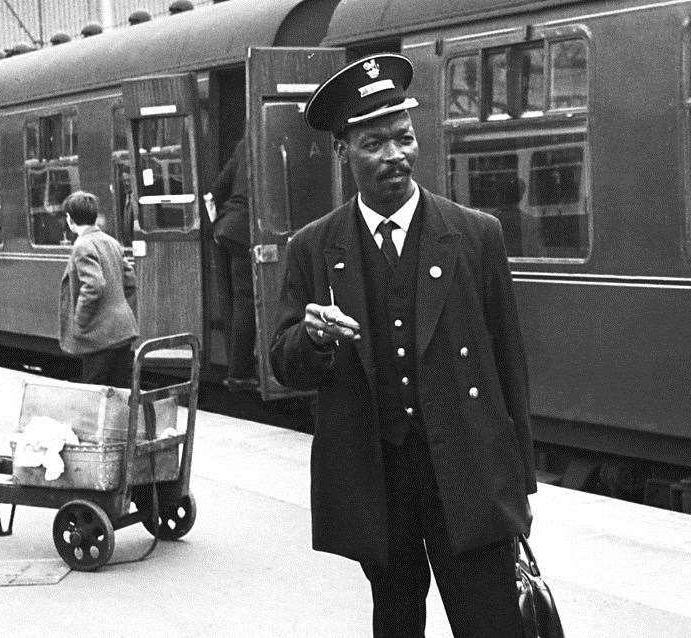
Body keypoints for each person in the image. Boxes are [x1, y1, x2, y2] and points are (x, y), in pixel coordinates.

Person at [269, 54, 536, 637]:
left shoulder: (474, 235)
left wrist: (521, 487)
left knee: (490, 623)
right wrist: (312, 339)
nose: (394, 156)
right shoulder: (314, 248)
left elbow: (508, 367)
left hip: (469, 473)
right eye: (373, 144)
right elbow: (281, 362)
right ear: (343, 152)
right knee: (395, 621)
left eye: (403, 138)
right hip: (377, 479)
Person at [57, 191, 138, 387]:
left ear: (70, 219)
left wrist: (81, 321)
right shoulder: (111, 242)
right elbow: (130, 281)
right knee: (121, 392)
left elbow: (93, 285)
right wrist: (115, 308)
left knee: (95, 394)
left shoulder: (82, 245)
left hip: (99, 336)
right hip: (122, 331)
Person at [211, 137, 258, 391]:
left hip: (225, 228)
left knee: (233, 301)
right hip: (243, 231)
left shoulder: (244, 144)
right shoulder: (265, 137)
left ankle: (237, 365)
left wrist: (213, 224)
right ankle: (239, 372)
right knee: (246, 301)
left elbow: (216, 190)